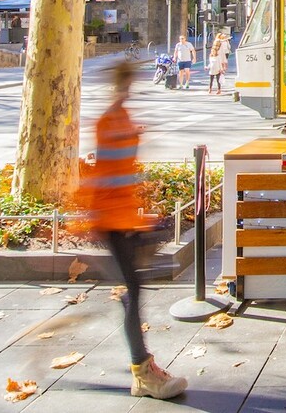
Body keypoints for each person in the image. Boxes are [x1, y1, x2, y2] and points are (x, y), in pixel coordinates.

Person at [85, 61, 188, 400]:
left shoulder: (118, 117)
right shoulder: (111, 121)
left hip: (121, 218)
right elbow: (109, 174)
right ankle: (142, 373)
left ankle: (142, 369)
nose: (132, 88)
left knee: (135, 290)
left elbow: (119, 173)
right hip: (113, 220)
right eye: (130, 82)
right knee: (134, 290)